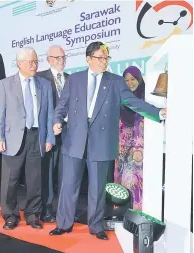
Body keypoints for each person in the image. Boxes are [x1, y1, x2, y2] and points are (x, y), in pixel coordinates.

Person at [50, 41, 166, 240]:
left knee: (97, 187)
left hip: (101, 141)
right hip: (75, 139)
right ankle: (63, 223)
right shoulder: (75, 79)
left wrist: (158, 112)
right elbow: (62, 104)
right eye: (100, 58)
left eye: (106, 57)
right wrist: (57, 121)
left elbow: (133, 102)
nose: (104, 61)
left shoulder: (115, 81)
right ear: (88, 59)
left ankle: (96, 226)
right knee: (69, 185)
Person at [0, 47, 55, 230]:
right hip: (13, 137)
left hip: (37, 136)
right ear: (19, 63)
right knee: (10, 180)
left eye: (36, 61)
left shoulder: (44, 84)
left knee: (35, 180)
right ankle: (10, 215)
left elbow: (50, 114)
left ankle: (32, 215)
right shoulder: (6, 84)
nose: (34, 65)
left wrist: (49, 138)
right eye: (30, 62)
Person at [36, 45, 68, 223]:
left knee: (67, 174)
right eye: (57, 57)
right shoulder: (40, 78)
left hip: (69, 135)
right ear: (48, 59)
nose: (61, 60)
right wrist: (51, 125)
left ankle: (65, 209)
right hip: (48, 134)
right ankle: (46, 209)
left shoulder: (71, 79)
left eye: (63, 57)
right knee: (47, 173)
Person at [115, 66, 146, 210]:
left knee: (136, 183)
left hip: (138, 150)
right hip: (121, 151)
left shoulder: (146, 99)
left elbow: (143, 126)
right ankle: (121, 216)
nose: (129, 83)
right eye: (126, 80)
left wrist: (139, 148)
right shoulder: (121, 100)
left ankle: (137, 216)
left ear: (139, 79)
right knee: (120, 184)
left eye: (132, 79)